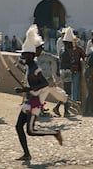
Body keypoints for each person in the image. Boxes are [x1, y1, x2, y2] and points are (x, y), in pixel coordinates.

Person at [14, 25, 63, 161]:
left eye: (24, 55)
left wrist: (26, 90)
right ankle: (27, 154)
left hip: (34, 103)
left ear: (30, 55)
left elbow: (44, 83)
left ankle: (55, 132)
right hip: (28, 102)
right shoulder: (29, 66)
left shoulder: (35, 68)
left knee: (30, 131)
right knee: (18, 127)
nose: (22, 57)